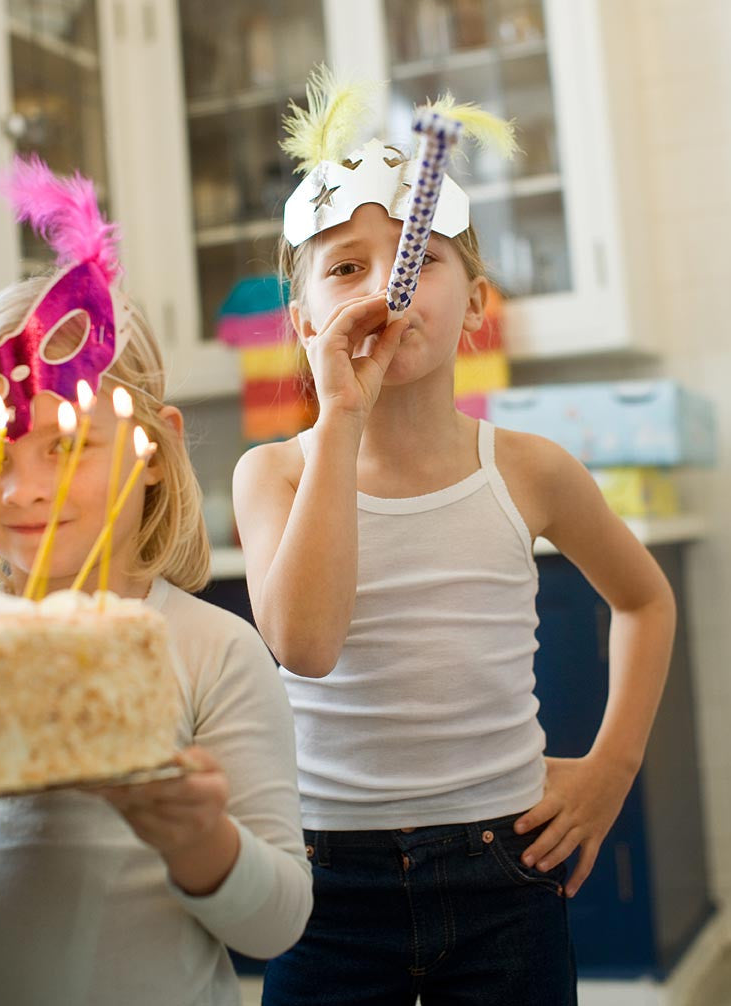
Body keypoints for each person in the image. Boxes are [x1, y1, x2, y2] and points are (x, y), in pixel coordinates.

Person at [232, 73, 677, 1006]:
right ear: (304, 323)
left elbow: (644, 599)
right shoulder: (272, 475)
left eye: (418, 256)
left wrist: (611, 768)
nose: (383, 283)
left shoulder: (532, 470)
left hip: (503, 871)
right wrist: (340, 418)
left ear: (475, 303)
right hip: (324, 882)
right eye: (344, 268)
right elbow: (305, 646)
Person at [0, 158, 312, 1006]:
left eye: (65, 447)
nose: (22, 491)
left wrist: (201, 841)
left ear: (154, 453)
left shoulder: (212, 652)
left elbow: (278, 924)